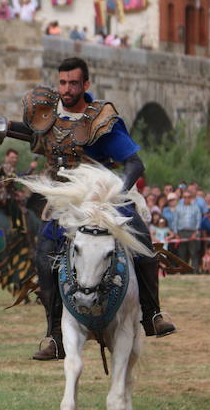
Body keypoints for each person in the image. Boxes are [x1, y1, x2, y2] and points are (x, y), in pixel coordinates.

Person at [10, 57, 176, 361]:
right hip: (64, 201)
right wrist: (1, 128)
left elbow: (135, 163)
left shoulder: (101, 119)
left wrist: (115, 193)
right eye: (62, 83)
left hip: (103, 195)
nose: (67, 89)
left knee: (141, 239)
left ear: (86, 84)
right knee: (43, 254)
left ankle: (152, 312)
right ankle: (55, 335)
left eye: (73, 83)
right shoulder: (47, 114)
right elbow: (32, 133)